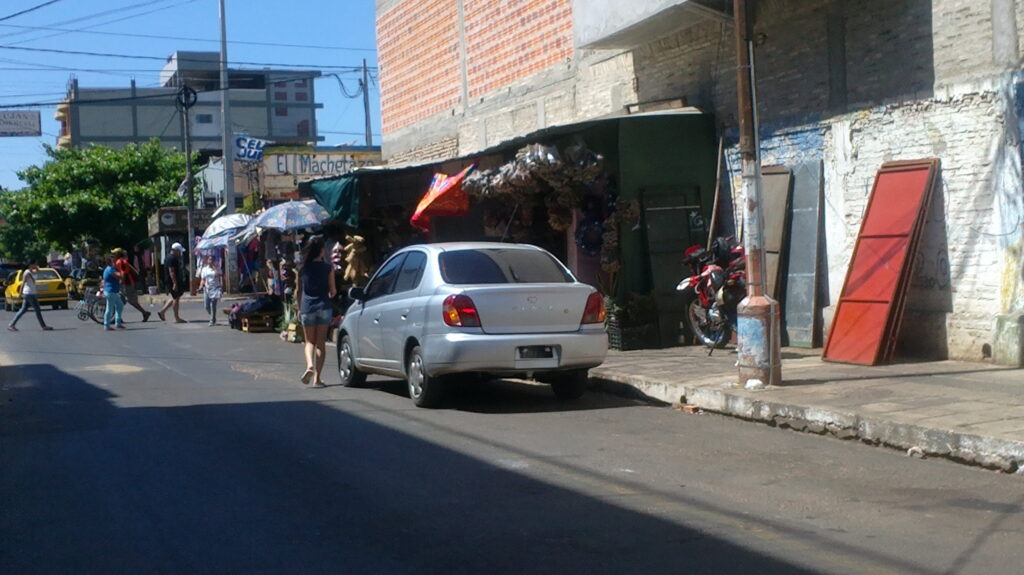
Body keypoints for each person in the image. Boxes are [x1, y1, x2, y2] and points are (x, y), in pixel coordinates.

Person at [297, 235, 336, 388]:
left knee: (309, 342)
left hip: (307, 307)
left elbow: (298, 291)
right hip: (324, 307)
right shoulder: (328, 268)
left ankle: (309, 366)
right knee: (321, 343)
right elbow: (332, 291)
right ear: (321, 251)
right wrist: (329, 291)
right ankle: (318, 379)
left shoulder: (302, 269)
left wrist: (299, 308)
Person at [7, 263, 54, 332]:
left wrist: (36, 267)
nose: (35, 265)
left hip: (31, 293)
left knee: (23, 310)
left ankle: (12, 324)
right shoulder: (27, 273)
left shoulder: (30, 272)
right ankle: (43, 326)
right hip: (29, 294)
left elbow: (37, 271)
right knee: (37, 309)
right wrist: (20, 294)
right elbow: (23, 283)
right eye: (34, 264)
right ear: (30, 265)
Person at [113, 248, 150, 322]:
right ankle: (118, 317)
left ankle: (144, 313)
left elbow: (123, 274)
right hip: (128, 283)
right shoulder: (122, 261)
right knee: (123, 300)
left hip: (127, 284)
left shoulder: (121, 262)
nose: (113, 255)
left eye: (115, 253)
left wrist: (121, 283)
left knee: (127, 301)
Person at [157, 242, 187, 323]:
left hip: (172, 281)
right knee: (176, 299)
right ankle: (177, 317)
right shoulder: (172, 258)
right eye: (179, 251)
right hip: (172, 281)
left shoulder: (168, 257)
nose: (180, 253)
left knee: (175, 297)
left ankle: (162, 312)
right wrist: (175, 283)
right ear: (176, 250)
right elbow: (171, 271)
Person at [102, 253, 126, 331]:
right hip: (110, 291)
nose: (115, 261)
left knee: (120, 305)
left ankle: (118, 323)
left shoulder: (109, 269)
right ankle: (106, 325)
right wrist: (122, 269)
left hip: (113, 291)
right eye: (113, 259)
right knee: (109, 309)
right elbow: (120, 276)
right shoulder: (110, 269)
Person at [197, 255, 224, 326]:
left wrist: (214, 267)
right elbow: (203, 279)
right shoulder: (204, 269)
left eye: (212, 260)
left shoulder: (217, 268)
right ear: (207, 260)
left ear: (214, 261)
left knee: (213, 305)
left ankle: (212, 320)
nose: (210, 261)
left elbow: (219, 275)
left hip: (215, 288)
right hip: (207, 289)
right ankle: (213, 315)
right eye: (209, 259)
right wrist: (200, 286)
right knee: (206, 306)